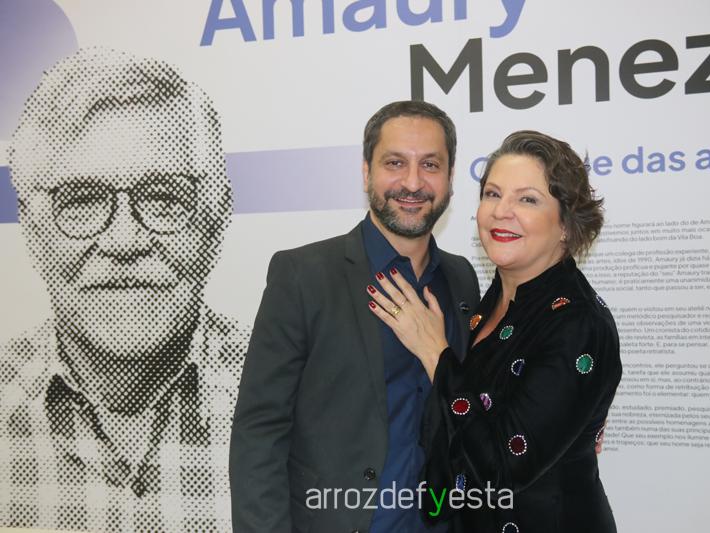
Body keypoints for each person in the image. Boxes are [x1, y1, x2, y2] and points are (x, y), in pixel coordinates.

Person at [0, 47, 247, 532]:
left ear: (216, 221)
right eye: (80, 201)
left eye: (164, 198)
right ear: (32, 231)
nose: (124, 241)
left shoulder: (299, 396)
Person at [230, 100, 480, 532]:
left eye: (430, 165)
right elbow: (259, 430)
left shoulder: (460, 279)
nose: (413, 182)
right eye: (395, 163)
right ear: (366, 173)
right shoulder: (303, 276)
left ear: (451, 178)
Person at [367, 130, 622, 532]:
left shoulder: (578, 323)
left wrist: (435, 353)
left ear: (566, 224)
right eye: (492, 194)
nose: (502, 211)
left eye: (527, 199)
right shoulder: (491, 301)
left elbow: (502, 467)